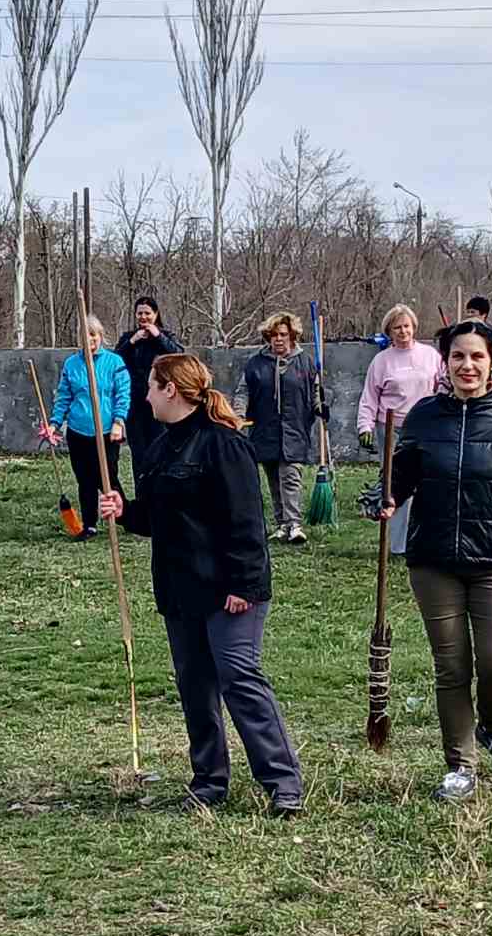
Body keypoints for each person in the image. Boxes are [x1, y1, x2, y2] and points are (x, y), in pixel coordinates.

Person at [99, 353, 303, 816]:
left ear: (171, 389)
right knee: (195, 686)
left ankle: (282, 781)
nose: (145, 396)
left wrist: (244, 587)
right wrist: (125, 511)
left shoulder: (224, 445)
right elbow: (159, 518)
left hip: (229, 590)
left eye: (151, 386)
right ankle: (209, 780)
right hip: (180, 588)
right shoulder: (159, 449)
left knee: (239, 679)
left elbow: (246, 522)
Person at [376, 321, 492, 802]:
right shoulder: (424, 415)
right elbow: (401, 476)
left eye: (477, 356)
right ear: (445, 362)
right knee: (452, 666)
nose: (467, 365)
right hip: (433, 559)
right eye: (458, 356)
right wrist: (384, 495)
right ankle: (460, 766)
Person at [356, 304, 443, 556]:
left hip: (426, 426)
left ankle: (425, 539)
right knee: (396, 485)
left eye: (406, 326)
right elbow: (369, 397)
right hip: (392, 428)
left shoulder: (430, 356)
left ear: (414, 327)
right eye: (397, 328)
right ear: (389, 332)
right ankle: (399, 545)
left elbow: (444, 385)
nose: (403, 331)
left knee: (428, 482)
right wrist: (365, 426)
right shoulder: (382, 361)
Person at [237, 311, 326, 544]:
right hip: (265, 429)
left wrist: (320, 407)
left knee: (290, 475)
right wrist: (238, 415)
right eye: (274, 335)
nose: (278, 339)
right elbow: (243, 392)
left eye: (283, 335)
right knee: (274, 477)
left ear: (292, 336)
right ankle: (281, 524)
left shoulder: (305, 362)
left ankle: (294, 523)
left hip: (295, 428)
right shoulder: (256, 364)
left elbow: (315, 390)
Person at [43, 315, 131, 542]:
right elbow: (64, 396)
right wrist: (54, 424)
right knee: (85, 479)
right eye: (85, 335)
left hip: (107, 431)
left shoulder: (115, 363)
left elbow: (123, 395)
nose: (89, 339)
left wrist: (118, 422)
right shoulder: (72, 364)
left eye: (93, 335)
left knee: (107, 477)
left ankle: (126, 517)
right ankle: (89, 524)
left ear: (100, 336)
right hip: (78, 430)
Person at [114, 296, 185, 473]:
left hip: (161, 401)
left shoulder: (165, 336)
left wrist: (158, 336)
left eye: (147, 313)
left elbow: (179, 355)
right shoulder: (129, 338)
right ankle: (141, 487)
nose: (143, 317)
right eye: (140, 313)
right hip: (134, 403)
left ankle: (160, 486)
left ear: (156, 314)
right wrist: (132, 341)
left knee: (160, 447)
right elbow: (114, 361)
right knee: (138, 451)